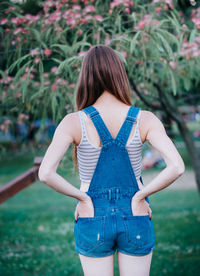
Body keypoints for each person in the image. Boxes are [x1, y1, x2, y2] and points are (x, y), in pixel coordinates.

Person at [38, 45, 185, 276]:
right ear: (119, 75)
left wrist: (81, 198)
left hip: (92, 214)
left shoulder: (73, 121)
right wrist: (141, 195)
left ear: (86, 77)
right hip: (135, 214)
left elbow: (45, 173)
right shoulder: (145, 119)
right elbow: (177, 166)